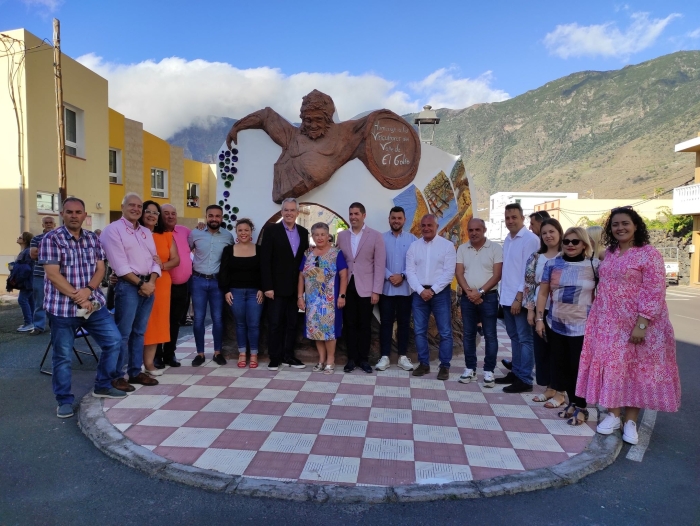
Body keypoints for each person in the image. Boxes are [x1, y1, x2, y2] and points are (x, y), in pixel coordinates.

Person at [577, 207, 681, 444]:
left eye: (625, 223)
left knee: (635, 370)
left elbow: (655, 290)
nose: (620, 228)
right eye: (615, 224)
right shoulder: (611, 253)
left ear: (636, 225)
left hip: (639, 324)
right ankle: (614, 415)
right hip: (608, 323)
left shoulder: (649, 254)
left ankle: (631, 421)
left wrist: (642, 324)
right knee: (614, 368)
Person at [226, 90, 416, 203]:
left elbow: (374, 121)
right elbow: (266, 116)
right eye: (308, 120)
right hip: (283, 189)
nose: (312, 124)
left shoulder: (344, 134)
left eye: (318, 119)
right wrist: (237, 126)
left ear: (328, 119)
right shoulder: (292, 136)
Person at [39, 197, 126, 418]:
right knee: (63, 356)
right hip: (62, 310)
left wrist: (88, 290)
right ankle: (64, 400)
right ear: (62, 214)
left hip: (94, 306)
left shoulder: (92, 239)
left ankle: (102, 385)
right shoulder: (52, 239)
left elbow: (100, 269)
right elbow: (53, 274)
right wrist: (80, 298)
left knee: (114, 341)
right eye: (69, 212)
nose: (74, 216)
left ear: (85, 215)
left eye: (78, 212)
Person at [535, 227, 598, 426]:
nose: (570, 245)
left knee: (578, 368)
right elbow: (543, 294)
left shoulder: (595, 265)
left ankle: (581, 407)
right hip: (556, 325)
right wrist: (539, 319)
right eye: (567, 241)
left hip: (583, 327)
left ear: (584, 244)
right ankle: (572, 403)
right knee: (562, 368)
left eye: (575, 241)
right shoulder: (552, 264)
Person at [100, 192, 161, 389]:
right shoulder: (113, 230)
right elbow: (120, 266)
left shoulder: (145, 231)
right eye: (131, 205)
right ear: (123, 206)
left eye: (139, 206)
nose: (136, 209)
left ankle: (135, 372)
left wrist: (150, 282)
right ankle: (117, 375)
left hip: (148, 286)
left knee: (139, 332)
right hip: (128, 287)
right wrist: (141, 284)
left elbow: (155, 260)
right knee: (123, 333)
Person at [406, 214, 457, 381]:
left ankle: (444, 366)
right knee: (420, 331)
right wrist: (421, 290)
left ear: (437, 226)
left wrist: (433, 290)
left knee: (445, 331)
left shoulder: (447, 246)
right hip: (419, 294)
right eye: (423, 225)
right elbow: (410, 272)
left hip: (440, 293)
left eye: (430, 225)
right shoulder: (414, 247)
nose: (426, 228)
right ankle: (424, 364)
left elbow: (449, 273)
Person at [337, 202, 386, 374]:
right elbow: (339, 261)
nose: (353, 217)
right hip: (347, 286)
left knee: (365, 325)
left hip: (367, 288)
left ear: (364, 215)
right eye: (350, 214)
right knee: (349, 324)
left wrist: (376, 291)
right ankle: (351, 359)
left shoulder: (375, 236)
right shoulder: (341, 236)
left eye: (356, 214)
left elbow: (380, 266)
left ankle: (364, 360)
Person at [498, 203, 540, 393]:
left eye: (514, 217)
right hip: (506, 297)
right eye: (507, 218)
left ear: (522, 218)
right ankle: (516, 372)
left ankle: (525, 378)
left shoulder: (530, 239)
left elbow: (528, 272)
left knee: (524, 338)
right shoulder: (508, 239)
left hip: (519, 299)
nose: (510, 221)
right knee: (514, 336)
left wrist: (518, 297)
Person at [455, 218, 503, 387]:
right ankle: (470, 369)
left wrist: (480, 292)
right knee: (468, 334)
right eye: (471, 230)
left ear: (484, 230)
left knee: (490, 335)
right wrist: (469, 292)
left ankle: (489, 371)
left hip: (488, 297)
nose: (474, 233)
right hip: (468, 297)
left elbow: (497, 275)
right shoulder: (462, 248)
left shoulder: (496, 248)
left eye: (477, 229)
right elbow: (459, 273)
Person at [298, 222, 348, 375]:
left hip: (330, 300)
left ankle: (330, 361)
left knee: (329, 332)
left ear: (328, 236)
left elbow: (344, 275)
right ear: (312, 237)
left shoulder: (336, 253)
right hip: (312, 301)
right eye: (316, 235)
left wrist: (342, 295)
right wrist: (300, 297)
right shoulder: (308, 254)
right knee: (316, 331)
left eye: (322, 234)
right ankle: (321, 360)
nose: (319, 237)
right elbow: (301, 276)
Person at [523, 218, 564, 406]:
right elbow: (529, 285)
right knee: (542, 351)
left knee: (559, 352)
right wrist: (531, 311)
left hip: (563, 311)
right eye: (545, 233)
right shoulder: (536, 257)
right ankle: (549, 388)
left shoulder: (567, 255)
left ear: (559, 233)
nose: (548, 236)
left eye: (552, 232)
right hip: (541, 309)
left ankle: (561, 391)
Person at [188, 204, 234, 366]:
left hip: (217, 282)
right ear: (206, 216)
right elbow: (184, 252)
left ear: (222, 218)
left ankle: (217, 352)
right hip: (198, 281)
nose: (214, 219)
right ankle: (200, 354)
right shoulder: (195, 234)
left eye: (217, 216)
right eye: (211, 215)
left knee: (218, 319)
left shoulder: (228, 237)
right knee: (198, 318)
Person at [140, 201, 180, 376]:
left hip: (162, 285)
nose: (151, 215)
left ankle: (149, 363)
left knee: (156, 323)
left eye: (155, 213)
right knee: (142, 322)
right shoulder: (135, 233)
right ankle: (136, 362)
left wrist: (161, 265)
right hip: (138, 282)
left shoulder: (166, 235)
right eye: (147, 211)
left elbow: (176, 260)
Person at [219, 218, 264, 368]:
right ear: (236, 232)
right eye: (240, 230)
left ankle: (254, 354)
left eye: (246, 230)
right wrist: (226, 291)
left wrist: (262, 289)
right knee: (240, 324)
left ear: (251, 232)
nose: (243, 233)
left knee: (254, 324)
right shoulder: (228, 250)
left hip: (254, 293)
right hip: (235, 293)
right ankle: (242, 353)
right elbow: (223, 272)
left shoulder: (259, 249)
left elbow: (264, 273)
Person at [376, 206, 416, 372]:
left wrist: (403, 276)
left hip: (406, 290)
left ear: (404, 220)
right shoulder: (381, 239)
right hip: (386, 289)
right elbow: (377, 261)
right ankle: (384, 356)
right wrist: (389, 276)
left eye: (399, 218)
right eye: (393, 218)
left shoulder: (413, 240)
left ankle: (402, 357)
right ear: (389, 219)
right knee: (385, 323)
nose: (396, 221)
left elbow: (415, 263)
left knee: (404, 323)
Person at [155, 204, 192, 368]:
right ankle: (156, 355)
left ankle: (170, 354)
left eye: (173, 213)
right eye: (166, 213)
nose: (170, 216)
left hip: (181, 286)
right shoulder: (153, 233)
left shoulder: (184, 231)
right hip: (160, 285)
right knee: (158, 321)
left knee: (175, 322)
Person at [29, 216, 56, 335]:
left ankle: (55, 325)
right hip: (39, 275)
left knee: (56, 301)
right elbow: (33, 255)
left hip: (56, 275)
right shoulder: (36, 239)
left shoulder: (59, 237)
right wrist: (51, 250)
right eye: (46, 223)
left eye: (51, 222)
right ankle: (39, 326)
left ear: (54, 224)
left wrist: (42, 250)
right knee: (39, 302)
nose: (49, 224)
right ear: (42, 225)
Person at [10, 232, 35, 332]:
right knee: (30, 300)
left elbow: (27, 268)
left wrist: (18, 277)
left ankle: (28, 323)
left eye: (20, 237)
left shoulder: (27, 252)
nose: (18, 238)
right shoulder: (26, 251)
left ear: (24, 240)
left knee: (22, 300)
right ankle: (32, 322)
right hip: (29, 280)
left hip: (27, 281)